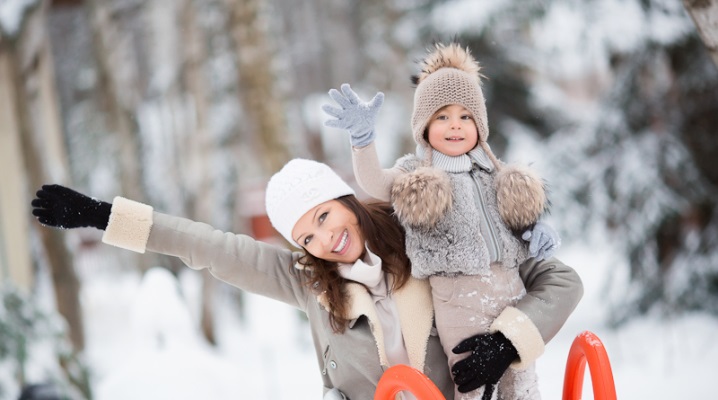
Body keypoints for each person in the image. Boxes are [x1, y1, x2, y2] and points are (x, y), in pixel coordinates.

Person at [31, 158, 582, 400]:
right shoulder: (309, 281)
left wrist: (507, 342)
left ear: (345, 200)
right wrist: (105, 216)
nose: (324, 241)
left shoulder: (428, 235)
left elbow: (558, 279)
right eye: (306, 237)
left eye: (324, 217)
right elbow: (207, 247)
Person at [323, 42, 561, 400]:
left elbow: (517, 226)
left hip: (509, 289)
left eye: (466, 116)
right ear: (424, 125)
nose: (456, 126)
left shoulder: (495, 175)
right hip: (458, 297)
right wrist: (363, 140)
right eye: (443, 116)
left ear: (480, 124)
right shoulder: (416, 174)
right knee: (472, 380)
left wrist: (536, 232)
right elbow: (374, 182)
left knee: (522, 383)